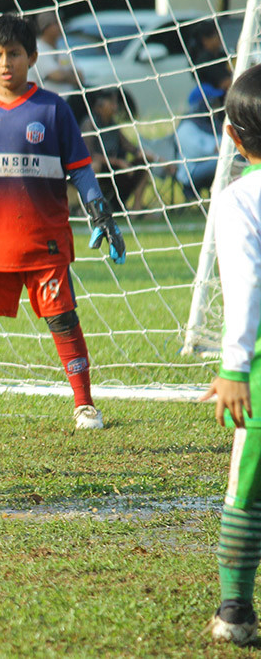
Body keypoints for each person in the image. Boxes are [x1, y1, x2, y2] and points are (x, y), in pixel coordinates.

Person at [0, 13, 127, 432]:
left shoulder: (54, 109)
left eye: (14, 53)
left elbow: (81, 169)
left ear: (32, 57)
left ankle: (85, 405)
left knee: (62, 317)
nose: (6, 62)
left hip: (43, 239)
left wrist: (100, 213)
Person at [200, 63, 261, 646]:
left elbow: (245, 286)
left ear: (232, 136)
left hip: (260, 374)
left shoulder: (239, 198)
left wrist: (234, 368)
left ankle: (236, 612)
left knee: (245, 494)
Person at [81, 87, 153, 211]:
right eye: (111, 103)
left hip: (117, 169)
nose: (115, 107)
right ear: (99, 106)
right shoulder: (89, 124)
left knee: (145, 162)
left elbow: (131, 147)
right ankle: (93, 207)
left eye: (115, 103)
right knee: (93, 166)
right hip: (103, 168)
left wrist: (152, 157)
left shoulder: (113, 125)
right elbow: (89, 155)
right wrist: (118, 162)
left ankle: (137, 208)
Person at [177, 67, 230, 198]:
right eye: (212, 102)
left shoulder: (212, 124)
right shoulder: (187, 127)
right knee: (227, 161)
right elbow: (202, 152)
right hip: (193, 171)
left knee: (231, 160)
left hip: (212, 161)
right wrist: (226, 147)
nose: (216, 105)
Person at [27, 12, 81, 97]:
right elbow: (57, 75)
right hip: (48, 100)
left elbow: (80, 76)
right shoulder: (37, 49)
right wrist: (70, 74)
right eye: (56, 23)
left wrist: (64, 76)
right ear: (45, 27)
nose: (60, 26)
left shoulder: (63, 48)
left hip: (70, 97)